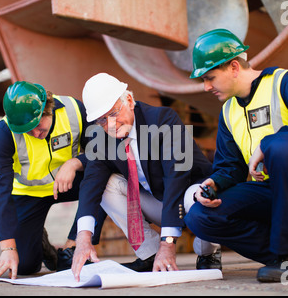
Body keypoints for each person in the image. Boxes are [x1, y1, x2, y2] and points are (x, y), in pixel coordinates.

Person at [184, 29, 288, 282]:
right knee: (199, 217)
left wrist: (267, 143)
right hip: (275, 197)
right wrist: (213, 183)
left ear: (234, 67)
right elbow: (230, 167)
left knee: (279, 147)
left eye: (210, 78)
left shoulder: (285, 82)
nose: (206, 87)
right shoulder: (228, 111)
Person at [71, 73, 219, 281]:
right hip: (157, 200)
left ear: (129, 101)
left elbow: (176, 178)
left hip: (190, 195)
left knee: (199, 198)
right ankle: (149, 254)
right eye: (102, 120)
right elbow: (90, 184)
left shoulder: (164, 119)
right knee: (107, 184)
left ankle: (208, 253)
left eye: (113, 113)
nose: (110, 124)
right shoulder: (103, 137)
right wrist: (83, 238)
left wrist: (167, 244)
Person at [0, 81, 105, 279]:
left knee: (108, 179)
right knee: (24, 266)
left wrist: (75, 162)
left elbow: (102, 150)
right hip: (28, 193)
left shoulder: (74, 110)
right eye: (27, 130)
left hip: (69, 182)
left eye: (38, 126)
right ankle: (42, 244)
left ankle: (72, 245)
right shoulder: (5, 132)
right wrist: (7, 249)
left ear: (48, 109)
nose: (35, 134)